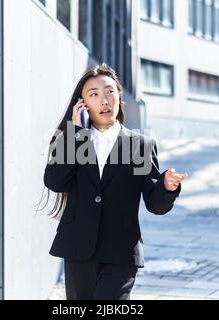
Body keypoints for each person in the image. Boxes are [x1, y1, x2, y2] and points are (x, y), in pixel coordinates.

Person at [41, 63, 188, 300]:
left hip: (120, 252)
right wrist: (77, 135)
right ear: (83, 104)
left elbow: (155, 204)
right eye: (94, 94)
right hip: (78, 249)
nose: (104, 100)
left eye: (110, 91)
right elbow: (55, 182)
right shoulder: (71, 140)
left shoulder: (140, 145)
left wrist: (167, 187)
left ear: (119, 95)